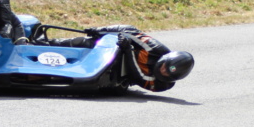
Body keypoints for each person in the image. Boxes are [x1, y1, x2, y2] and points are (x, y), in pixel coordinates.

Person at [44, 24, 194, 92]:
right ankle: (45, 45)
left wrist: (129, 51)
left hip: (122, 76)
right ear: (164, 59)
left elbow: (140, 77)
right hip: (119, 52)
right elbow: (129, 30)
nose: (163, 72)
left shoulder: (163, 85)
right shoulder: (154, 48)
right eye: (164, 67)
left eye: (167, 74)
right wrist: (99, 31)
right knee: (88, 42)